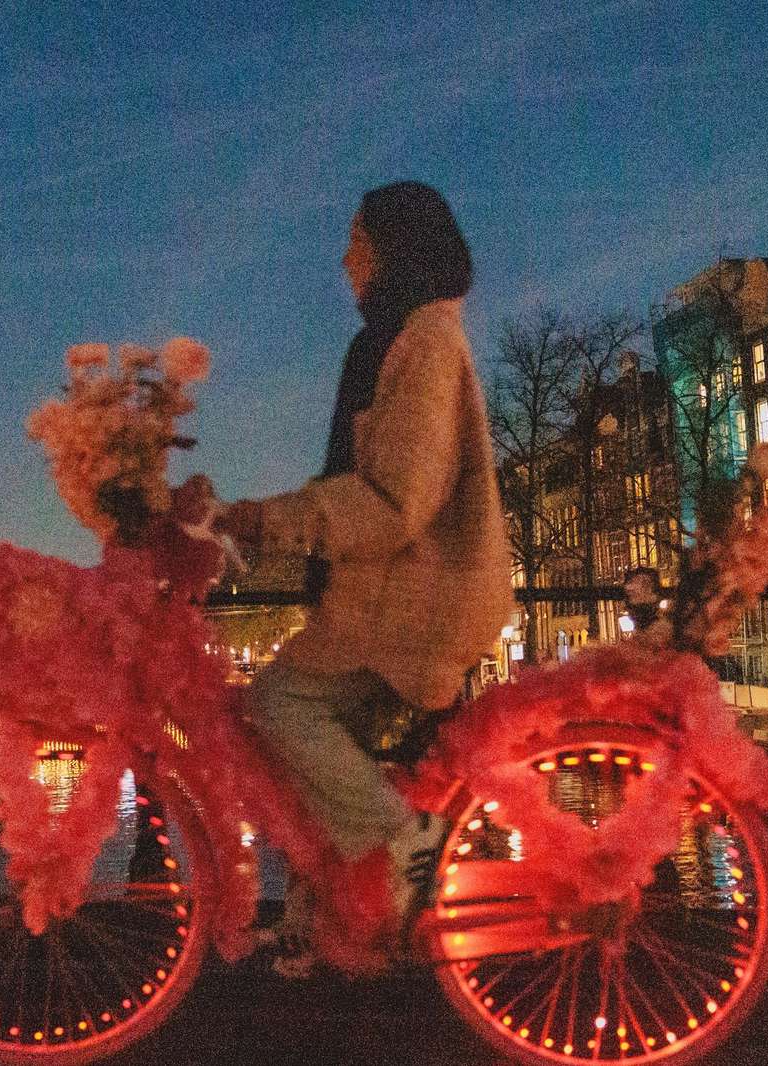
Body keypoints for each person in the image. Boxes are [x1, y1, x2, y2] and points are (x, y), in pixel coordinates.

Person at [216, 181, 513, 931]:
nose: (345, 257)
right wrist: (239, 526)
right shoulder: (396, 342)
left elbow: (391, 501)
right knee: (319, 743)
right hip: (395, 595)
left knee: (277, 704)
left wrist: (264, 521)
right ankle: (325, 918)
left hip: (418, 603)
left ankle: (409, 844)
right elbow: (354, 486)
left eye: (357, 240)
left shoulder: (426, 344)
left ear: (393, 252)